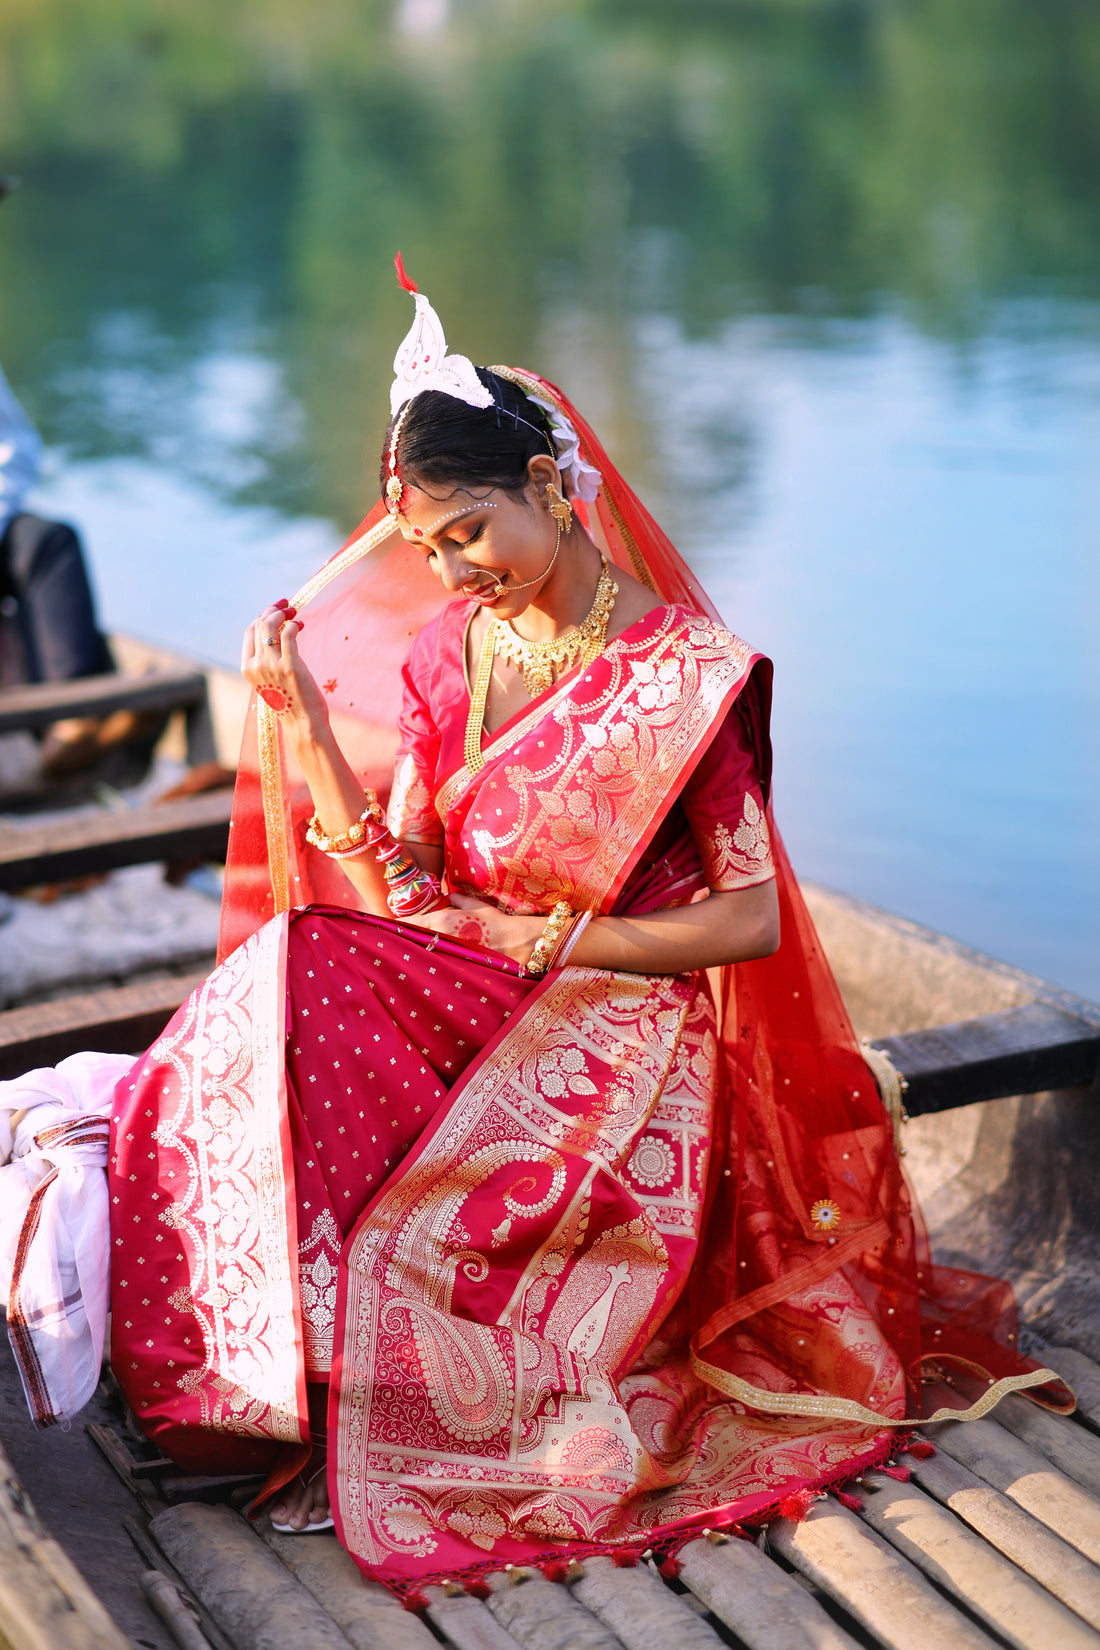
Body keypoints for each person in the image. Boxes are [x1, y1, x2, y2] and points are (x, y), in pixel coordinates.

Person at [22, 264, 1065, 1598]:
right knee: (290, 970)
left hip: (619, 1033)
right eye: (433, 550)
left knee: (309, 978)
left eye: (472, 531)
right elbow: (404, 883)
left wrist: (554, 943)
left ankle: (323, 1374)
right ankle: (254, 1373)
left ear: (550, 486)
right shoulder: (447, 653)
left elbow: (744, 917)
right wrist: (305, 729)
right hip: (478, 978)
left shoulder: (685, 674)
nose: (458, 570)